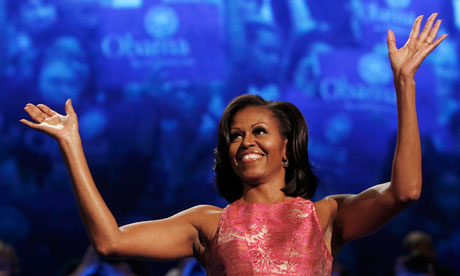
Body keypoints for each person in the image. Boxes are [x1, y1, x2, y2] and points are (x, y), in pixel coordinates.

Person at [20, 13, 447, 275]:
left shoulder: (326, 216)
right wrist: (72, 145)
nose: (246, 142)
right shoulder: (208, 224)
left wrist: (404, 83)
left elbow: (405, 191)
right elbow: (110, 241)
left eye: (259, 131)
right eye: (236, 135)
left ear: (286, 145)